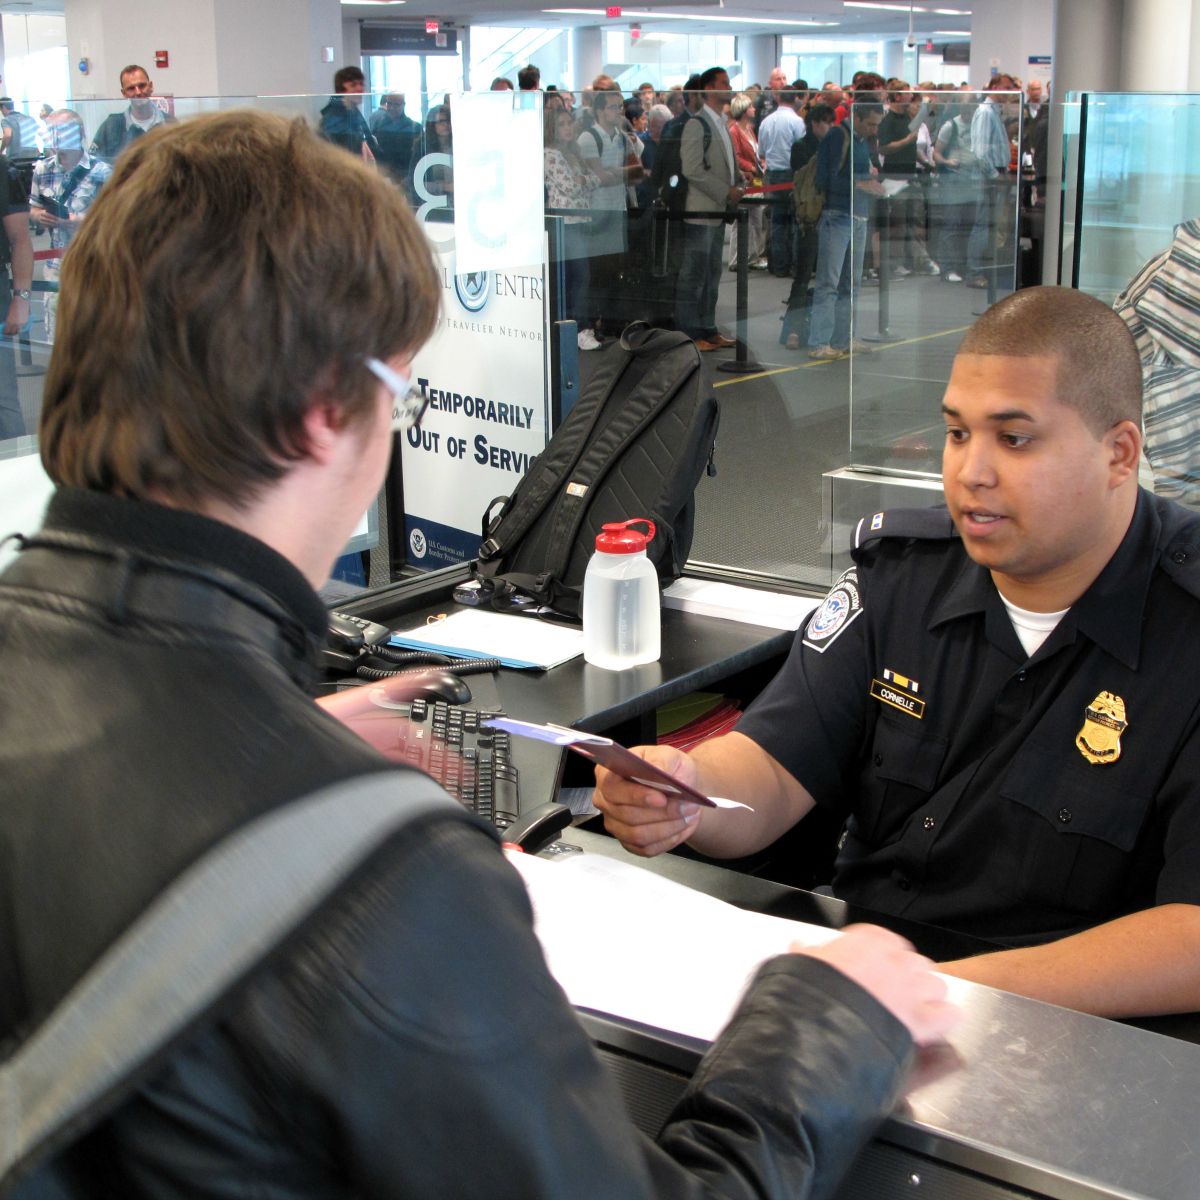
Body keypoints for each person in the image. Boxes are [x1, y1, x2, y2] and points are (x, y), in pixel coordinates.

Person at [0, 106, 956, 1195]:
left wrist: (256, 744)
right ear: (324, 412)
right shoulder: (374, 867)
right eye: (397, 391)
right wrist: (828, 1026)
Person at [596, 283, 1200, 1020]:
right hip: (860, 997)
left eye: (1013, 439)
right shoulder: (905, 575)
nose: (971, 471)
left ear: (1119, 454)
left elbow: (1191, 937)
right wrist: (686, 796)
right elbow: (778, 768)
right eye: (956, 432)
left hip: (1060, 1032)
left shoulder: (1185, 628)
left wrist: (945, 996)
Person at [807, 102, 884, 360]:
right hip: (838, 215)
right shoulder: (838, 135)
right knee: (829, 283)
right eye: (871, 123)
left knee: (851, 285)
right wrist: (862, 183)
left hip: (857, 216)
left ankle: (843, 339)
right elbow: (826, 179)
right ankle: (819, 343)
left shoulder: (860, 139)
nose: (874, 129)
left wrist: (867, 181)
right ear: (857, 117)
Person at [29, 109, 112, 342]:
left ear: (80, 134)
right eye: (52, 131)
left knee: (94, 337)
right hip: (57, 265)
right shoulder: (42, 169)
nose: (56, 137)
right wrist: (38, 216)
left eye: (63, 131)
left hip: (93, 266)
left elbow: (115, 221)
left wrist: (79, 222)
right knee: (57, 339)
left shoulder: (102, 172)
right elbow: (32, 207)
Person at [676, 67, 740, 351]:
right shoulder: (697, 124)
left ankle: (708, 327)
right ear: (710, 89)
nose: (729, 86)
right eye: (724, 83)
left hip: (715, 212)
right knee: (695, 275)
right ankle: (689, 332)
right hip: (701, 212)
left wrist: (736, 182)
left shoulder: (721, 124)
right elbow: (692, 169)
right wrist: (725, 190)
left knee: (712, 274)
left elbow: (721, 164)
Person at [577, 89, 642, 337]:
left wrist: (613, 171)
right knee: (599, 270)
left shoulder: (624, 138)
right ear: (600, 111)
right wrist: (620, 172)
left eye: (620, 106)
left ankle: (610, 320)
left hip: (618, 211)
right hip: (597, 214)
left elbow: (638, 174)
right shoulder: (588, 138)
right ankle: (595, 322)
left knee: (614, 270)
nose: (619, 111)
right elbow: (600, 178)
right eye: (614, 107)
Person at [781, 101, 835, 349]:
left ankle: (824, 331)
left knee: (825, 278)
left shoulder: (830, 146)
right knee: (803, 276)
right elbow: (802, 177)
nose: (830, 126)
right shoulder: (802, 148)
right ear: (814, 123)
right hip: (810, 218)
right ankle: (793, 330)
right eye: (826, 121)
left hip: (829, 217)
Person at [545, 106, 600, 348]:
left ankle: (578, 327)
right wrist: (584, 181)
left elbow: (596, 179)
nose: (568, 128)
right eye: (562, 124)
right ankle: (580, 328)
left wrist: (584, 180)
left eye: (570, 123)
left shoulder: (573, 153)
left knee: (579, 276)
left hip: (581, 220)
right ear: (552, 129)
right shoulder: (550, 154)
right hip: (565, 223)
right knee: (579, 276)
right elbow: (569, 187)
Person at [965, 76, 1014, 289]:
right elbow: (980, 151)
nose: (1010, 91)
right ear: (994, 87)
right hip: (989, 178)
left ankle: (984, 270)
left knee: (990, 226)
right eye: (1006, 88)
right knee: (983, 226)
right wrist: (995, 176)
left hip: (996, 175)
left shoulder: (995, 112)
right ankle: (974, 272)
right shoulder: (985, 112)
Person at [757, 88, 806, 276]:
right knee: (795, 221)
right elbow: (801, 148)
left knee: (776, 222)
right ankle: (795, 267)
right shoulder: (796, 121)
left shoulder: (766, 121)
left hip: (772, 175)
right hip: (791, 175)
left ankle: (779, 267)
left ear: (778, 98)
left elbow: (761, 153)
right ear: (795, 99)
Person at [88, 64, 175, 163]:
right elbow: (93, 164)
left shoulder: (170, 123)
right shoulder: (111, 126)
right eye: (131, 88)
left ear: (151, 86)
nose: (138, 92)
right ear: (124, 93)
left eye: (142, 86)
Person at [0, 149, 29, 440]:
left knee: (2, 397)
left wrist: (21, 298)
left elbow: (20, 237)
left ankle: (16, 476)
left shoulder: (3, 169)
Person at [932, 100, 978, 284]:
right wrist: (946, 162)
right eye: (965, 112)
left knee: (966, 226)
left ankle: (962, 266)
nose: (967, 115)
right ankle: (947, 267)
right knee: (951, 224)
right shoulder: (950, 126)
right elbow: (936, 152)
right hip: (953, 178)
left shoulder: (977, 125)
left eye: (970, 112)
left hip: (971, 179)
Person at [726, 92, 766, 270]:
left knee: (756, 221)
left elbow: (756, 153)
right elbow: (736, 156)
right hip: (744, 181)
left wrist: (761, 165)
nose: (754, 108)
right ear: (742, 110)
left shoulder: (749, 130)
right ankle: (736, 259)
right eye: (750, 106)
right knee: (741, 222)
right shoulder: (734, 131)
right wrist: (752, 168)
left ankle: (752, 257)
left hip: (756, 181)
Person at [319, 65, 378, 161]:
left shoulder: (353, 114)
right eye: (353, 85)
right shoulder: (333, 118)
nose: (360, 88)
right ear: (341, 90)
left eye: (361, 83)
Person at [369, 92, 420, 184]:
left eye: (396, 105)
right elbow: (374, 149)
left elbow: (417, 156)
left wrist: (410, 177)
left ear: (403, 105)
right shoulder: (379, 124)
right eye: (389, 104)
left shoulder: (414, 127)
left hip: (406, 176)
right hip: (384, 174)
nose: (392, 108)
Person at [0, 97, 41, 197]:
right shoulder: (29, 118)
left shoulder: (6, 120)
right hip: (31, 157)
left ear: (3, 107)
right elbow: (38, 134)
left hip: (16, 158)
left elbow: (8, 135)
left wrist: (1, 151)